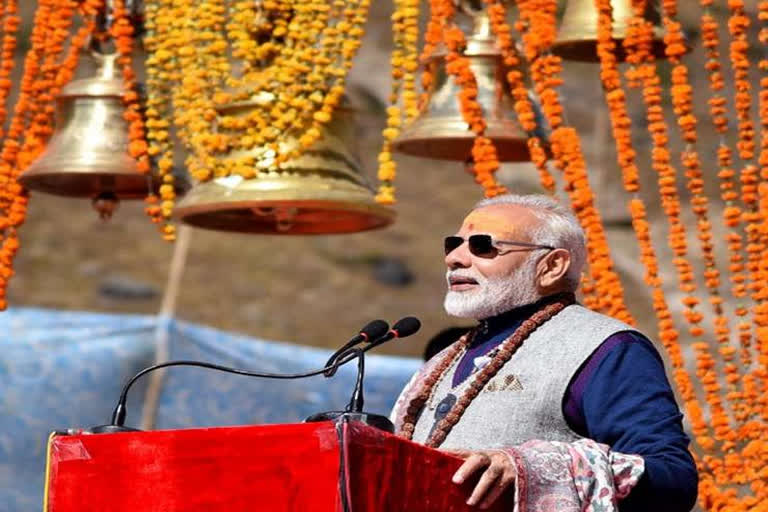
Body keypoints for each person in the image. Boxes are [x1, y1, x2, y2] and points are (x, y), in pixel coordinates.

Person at [391, 194, 697, 511]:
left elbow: (673, 479)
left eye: (482, 246)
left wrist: (531, 469)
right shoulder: (444, 361)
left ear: (551, 266)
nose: (454, 258)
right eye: (453, 245)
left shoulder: (606, 348)